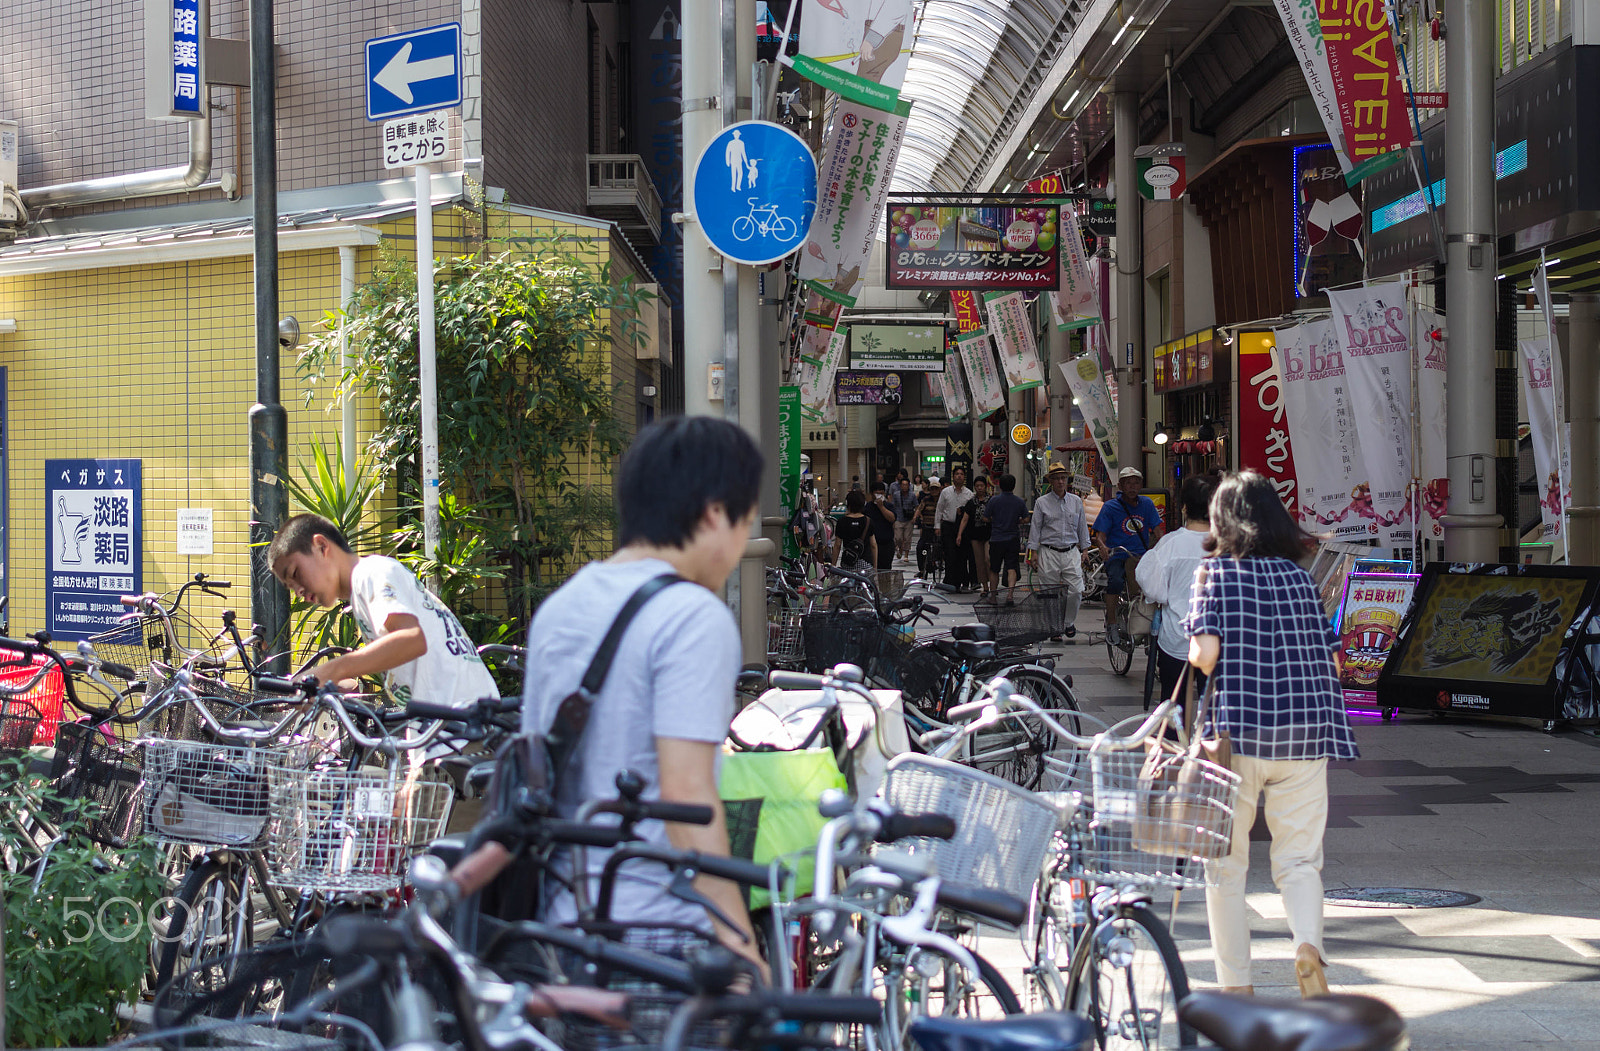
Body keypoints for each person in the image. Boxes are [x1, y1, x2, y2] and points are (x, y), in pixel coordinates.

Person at [522, 416, 765, 971]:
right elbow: (685, 796)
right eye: (743, 524)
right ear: (713, 514)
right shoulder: (693, 617)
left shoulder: (562, 607)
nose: (737, 549)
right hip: (658, 931)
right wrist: (738, 943)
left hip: (561, 925)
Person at [1185, 469, 1357, 999]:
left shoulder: (1215, 573)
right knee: (1300, 859)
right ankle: (1307, 947)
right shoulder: (1299, 577)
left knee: (1225, 865)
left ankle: (1236, 986)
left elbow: (1204, 656)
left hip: (1236, 735)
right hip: (1306, 731)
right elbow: (1331, 656)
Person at [268, 514, 496, 707]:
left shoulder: (372, 573)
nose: (297, 590)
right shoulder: (362, 589)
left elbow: (411, 640)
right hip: (449, 727)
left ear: (321, 546)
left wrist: (333, 669)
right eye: (290, 587)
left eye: (296, 573)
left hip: (462, 728)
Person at [1136, 473, 1215, 704]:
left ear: (1184, 508)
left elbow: (1153, 588)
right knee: (1214, 714)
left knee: (1173, 710)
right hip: (1220, 641)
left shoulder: (1171, 544)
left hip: (1177, 640)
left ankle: (1175, 739)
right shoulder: (1231, 544)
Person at [1094, 466, 1164, 645]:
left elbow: (1158, 531)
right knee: (1116, 582)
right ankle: (1111, 622)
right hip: (1118, 554)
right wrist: (1103, 547)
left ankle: (1151, 623)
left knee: (1154, 588)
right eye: (1128, 483)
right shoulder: (1111, 507)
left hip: (1141, 556)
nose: (1132, 487)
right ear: (1121, 485)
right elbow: (1100, 535)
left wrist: (1164, 547)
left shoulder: (1147, 504)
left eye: (1136, 483)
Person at [1027, 463, 1091, 638]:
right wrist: (1033, 552)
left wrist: (1085, 549)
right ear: (1051, 481)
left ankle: (1068, 622)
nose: (1061, 481)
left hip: (1071, 550)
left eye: (1063, 478)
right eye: (1057, 479)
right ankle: (1054, 626)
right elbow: (1036, 528)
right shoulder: (1042, 502)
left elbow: (1082, 527)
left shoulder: (1076, 501)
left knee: (1076, 590)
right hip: (1049, 551)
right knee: (1049, 592)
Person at [985, 474, 1027, 594]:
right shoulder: (1019, 501)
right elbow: (1026, 518)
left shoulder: (994, 500)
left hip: (996, 539)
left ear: (1000, 486)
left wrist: (994, 520)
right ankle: (1010, 594)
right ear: (1014, 486)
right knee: (1012, 567)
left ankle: (993, 595)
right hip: (1012, 539)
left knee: (994, 569)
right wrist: (1018, 521)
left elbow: (985, 518)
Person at [935, 466, 973, 589]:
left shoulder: (969, 494)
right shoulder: (946, 492)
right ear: (953, 476)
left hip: (963, 528)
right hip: (948, 525)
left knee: (961, 555)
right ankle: (950, 581)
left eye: (961, 474)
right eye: (957, 474)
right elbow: (939, 509)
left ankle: (963, 580)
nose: (959, 476)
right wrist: (937, 526)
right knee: (950, 554)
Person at [955, 476, 994, 597]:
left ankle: (993, 585)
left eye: (981, 486)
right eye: (977, 486)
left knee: (988, 559)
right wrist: (959, 534)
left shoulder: (991, 500)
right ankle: (985, 587)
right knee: (979, 562)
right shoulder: (971, 502)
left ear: (985, 486)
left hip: (989, 534)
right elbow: (965, 519)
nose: (979, 488)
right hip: (975, 535)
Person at [833, 489, 877, 572]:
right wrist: (875, 567)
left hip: (848, 563)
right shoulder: (868, 521)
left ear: (848, 504)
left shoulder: (842, 521)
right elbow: (873, 545)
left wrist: (833, 564)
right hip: (865, 564)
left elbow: (837, 545)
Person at [915, 478, 942, 578]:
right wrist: (917, 517)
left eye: (936, 489)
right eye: (932, 489)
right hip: (927, 527)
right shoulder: (926, 499)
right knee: (921, 547)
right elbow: (919, 509)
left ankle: (938, 562)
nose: (934, 491)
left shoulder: (942, 500)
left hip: (939, 528)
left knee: (940, 547)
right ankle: (922, 569)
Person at [868, 481, 898, 572]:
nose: (879, 496)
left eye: (881, 493)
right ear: (872, 494)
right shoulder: (867, 507)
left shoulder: (889, 506)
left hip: (886, 544)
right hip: (871, 544)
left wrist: (881, 507)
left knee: (885, 571)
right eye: (877, 493)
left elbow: (892, 518)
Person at [889, 475, 919, 561]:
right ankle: (900, 548)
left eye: (906, 485)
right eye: (903, 484)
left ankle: (906, 555)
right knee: (898, 538)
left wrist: (914, 517)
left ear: (909, 485)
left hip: (909, 519)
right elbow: (893, 506)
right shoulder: (896, 494)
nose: (904, 486)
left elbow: (916, 506)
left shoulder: (912, 495)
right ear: (900, 485)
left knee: (907, 538)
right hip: (898, 518)